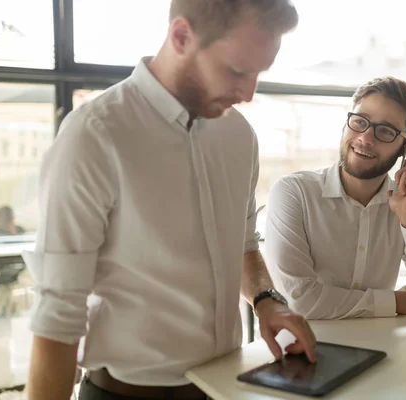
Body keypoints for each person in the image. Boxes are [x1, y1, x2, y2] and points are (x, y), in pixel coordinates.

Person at [22, 1, 316, 400]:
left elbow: (243, 247)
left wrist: (267, 301)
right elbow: (57, 317)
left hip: (225, 387)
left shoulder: (239, 136)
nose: (248, 93)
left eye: (259, 74)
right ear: (181, 36)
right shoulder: (94, 136)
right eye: (236, 71)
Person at [264, 77, 406, 321]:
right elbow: (297, 301)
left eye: (385, 131)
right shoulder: (294, 193)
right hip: (305, 351)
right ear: (345, 125)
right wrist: (397, 301)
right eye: (360, 122)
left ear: (405, 145)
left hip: (381, 351)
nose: (366, 138)